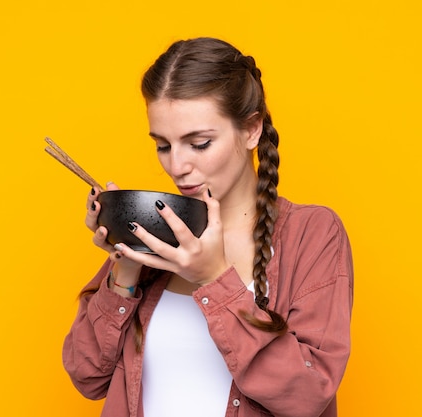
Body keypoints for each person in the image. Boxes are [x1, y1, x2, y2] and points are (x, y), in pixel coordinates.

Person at [62, 37, 353, 417]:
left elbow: (308, 396)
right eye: (163, 146)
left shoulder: (313, 234)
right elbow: (87, 377)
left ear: (251, 130)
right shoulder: (160, 233)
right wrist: (127, 264)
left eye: (198, 143)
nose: (177, 166)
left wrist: (215, 280)